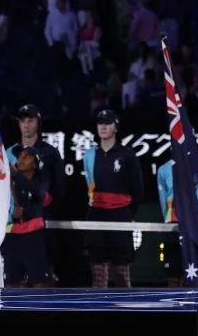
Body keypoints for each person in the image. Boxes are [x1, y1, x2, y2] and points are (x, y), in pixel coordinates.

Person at [81, 109, 142, 288]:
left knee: (122, 274)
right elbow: (88, 186)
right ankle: (98, 312)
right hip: (96, 215)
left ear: (116, 127)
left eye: (108, 123)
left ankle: (126, 311)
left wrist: (124, 212)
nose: (103, 127)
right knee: (98, 275)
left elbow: (138, 190)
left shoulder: (127, 155)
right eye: (100, 123)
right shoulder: (89, 155)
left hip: (120, 216)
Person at [4, 146, 52, 287]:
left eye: (27, 156)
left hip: (33, 237)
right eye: (19, 156)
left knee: (39, 282)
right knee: (11, 282)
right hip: (12, 236)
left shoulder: (43, 182)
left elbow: (39, 195)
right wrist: (11, 213)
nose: (21, 159)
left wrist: (17, 175)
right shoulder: (7, 182)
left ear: (36, 163)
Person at [157, 158, 198, 287]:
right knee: (172, 275)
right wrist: (168, 220)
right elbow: (163, 199)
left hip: (194, 228)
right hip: (172, 228)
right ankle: (174, 306)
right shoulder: (163, 169)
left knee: (191, 276)